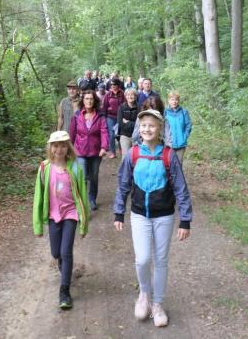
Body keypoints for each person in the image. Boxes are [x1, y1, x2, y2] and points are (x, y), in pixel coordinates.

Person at [113, 109, 192, 327]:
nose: (147, 129)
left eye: (152, 125)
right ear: (140, 128)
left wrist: (185, 219)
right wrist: (119, 212)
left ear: (160, 128)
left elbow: (180, 188)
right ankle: (144, 295)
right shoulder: (133, 154)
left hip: (164, 216)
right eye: (144, 125)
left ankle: (157, 304)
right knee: (142, 259)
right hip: (139, 214)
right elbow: (123, 184)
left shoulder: (169, 155)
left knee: (160, 260)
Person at [33, 131, 89, 310]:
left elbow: (83, 197)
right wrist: (37, 226)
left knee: (66, 252)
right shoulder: (44, 168)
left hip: (70, 214)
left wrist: (84, 223)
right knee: (56, 252)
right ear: (50, 148)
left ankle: (64, 291)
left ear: (68, 147)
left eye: (63, 145)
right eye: (55, 146)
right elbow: (38, 197)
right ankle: (63, 266)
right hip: (53, 216)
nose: (59, 149)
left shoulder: (75, 168)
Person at [69, 90, 108, 211]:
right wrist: (69, 149)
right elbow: (72, 133)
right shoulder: (77, 115)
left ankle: (92, 199)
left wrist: (104, 147)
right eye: (86, 98)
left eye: (91, 99)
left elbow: (104, 131)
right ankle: (82, 201)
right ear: (83, 100)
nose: (89, 101)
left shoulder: (100, 115)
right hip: (80, 151)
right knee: (83, 176)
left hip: (96, 151)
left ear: (94, 100)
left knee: (94, 177)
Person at [164, 91, 192, 164]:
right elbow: (162, 127)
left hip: (181, 144)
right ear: (168, 100)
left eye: (176, 99)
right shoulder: (165, 112)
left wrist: (185, 136)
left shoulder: (184, 112)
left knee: (179, 164)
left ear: (178, 100)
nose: (174, 102)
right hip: (169, 144)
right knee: (169, 164)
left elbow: (188, 125)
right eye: (172, 99)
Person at [102, 78, 124, 159]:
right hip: (110, 117)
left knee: (120, 134)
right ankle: (113, 152)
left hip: (120, 117)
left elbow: (125, 105)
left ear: (118, 85)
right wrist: (104, 118)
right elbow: (104, 107)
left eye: (114, 84)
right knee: (111, 135)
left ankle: (122, 149)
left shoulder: (122, 94)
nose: (112, 86)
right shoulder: (108, 95)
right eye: (111, 84)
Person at [116, 88, 139, 158]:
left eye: (132, 95)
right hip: (125, 135)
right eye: (128, 95)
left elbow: (140, 124)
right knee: (126, 156)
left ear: (136, 96)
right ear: (125, 96)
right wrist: (134, 124)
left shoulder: (140, 107)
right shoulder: (121, 107)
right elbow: (120, 123)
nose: (130, 96)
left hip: (137, 135)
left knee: (136, 157)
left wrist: (128, 122)